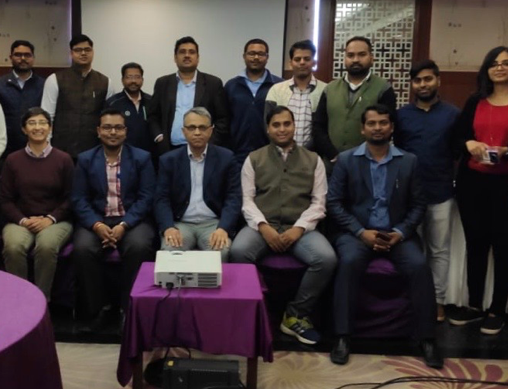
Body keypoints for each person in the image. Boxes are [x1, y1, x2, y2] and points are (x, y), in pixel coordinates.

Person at [326, 104, 441, 369]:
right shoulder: (346, 160)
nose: (377, 128)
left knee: (419, 266)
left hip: (397, 234)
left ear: (391, 127)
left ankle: (427, 338)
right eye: (372, 123)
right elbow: (334, 203)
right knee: (348, 263)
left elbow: (418, 205)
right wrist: (360, 232)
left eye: (383, 123)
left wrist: (400, 233)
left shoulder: (409, 161)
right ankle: (342, 336)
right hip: (357, 233)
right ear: (362, 128)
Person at [229, 106, 335, 346]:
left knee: (326, 258)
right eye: (276, 125)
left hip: (301, 228)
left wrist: (299, 228)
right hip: (262, 226)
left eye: (287, 124)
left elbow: (319, 203)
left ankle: (295, 314)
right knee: (237, 252)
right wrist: (263, 226)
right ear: (268, 128)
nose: (282, 129)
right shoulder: (254, 158)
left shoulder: (314, 159)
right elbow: (247, 200)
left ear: (294, 126)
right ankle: (255, 311)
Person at [448, 47, 508, 335]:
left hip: (507, 182)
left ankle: (497, 309)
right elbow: (457, 137)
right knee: (476, 244)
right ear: (486, 69)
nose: (500, 68)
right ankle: (474, 305)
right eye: (494, 63)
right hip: (473, 182)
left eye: (507, 63)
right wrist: (469, 144)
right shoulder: (475, 100)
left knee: (504, 247)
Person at [71, 108, 156, 331]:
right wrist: (97, 225)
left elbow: (147, 197)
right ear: (98, 131)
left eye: (118, 127)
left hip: (131, 220)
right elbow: (79, 199)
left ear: (125, 132)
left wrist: (124, 225)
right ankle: (99, 308)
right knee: (82, 248)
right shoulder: (86, 159)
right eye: (107, 127)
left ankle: (129, 308)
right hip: (96, 220)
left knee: (139, 246)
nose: (113, 132)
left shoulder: (141, 158)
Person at [394, 60, 460, 323]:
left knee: (438, 251)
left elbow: (458, 151)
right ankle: (411, 298)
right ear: (412, 84)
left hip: (441, 192)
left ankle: (437, 301)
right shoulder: (401, 116)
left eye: (428, 79)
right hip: (409, 196)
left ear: (438, 81)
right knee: (410, 252)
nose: (423, 85)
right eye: (418, 80)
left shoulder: (453, 115)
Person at [0, 107, 75, 298]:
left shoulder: (63, 159)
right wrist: (23, 220)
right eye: (32, 123)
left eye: (42, 123)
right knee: (13, 247)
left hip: (56, 220)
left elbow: (71, 197)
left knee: (47, 246)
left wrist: (50, 218)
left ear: (50, 128)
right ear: (24, 129)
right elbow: (5, 199)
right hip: (21, 220)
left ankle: (40, 301)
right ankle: (18, 298)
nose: (37, 127)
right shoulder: (12, 160)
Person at [155, 107, 241, 262]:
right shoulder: (168, 160)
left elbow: (233, 198)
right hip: (181, 223)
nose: (197, 132)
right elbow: (161, 199)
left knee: (220, 252)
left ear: (211, 130)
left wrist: (223, 228)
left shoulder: (226, 158)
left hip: (213, 224)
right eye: (191, 128)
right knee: (169, 252)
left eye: (202, 128)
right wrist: (168, 227)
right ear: (183, 131)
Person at [313, 36, 397, 162]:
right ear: (345, 59)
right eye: (350, 55)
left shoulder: (383, 88)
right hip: (332, 164)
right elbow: (318, 126)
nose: (356, 59)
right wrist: (333, 154)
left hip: (369, 164)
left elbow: (387, 127)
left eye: (362, 54)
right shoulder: (330, 89)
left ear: (371, 58)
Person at [147, 36, 230, 156]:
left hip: (203, 150)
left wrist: (210, 142)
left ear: (198, 58)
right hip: (169, 149)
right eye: (182, 52)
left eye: (191, 52)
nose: (187, 55)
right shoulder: (163, 83)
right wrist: (159, 136)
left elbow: (223, 119)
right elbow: (152, 115)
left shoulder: (213, 83)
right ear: (175, 58)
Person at [40, 34, 114, 158]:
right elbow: (46, 117)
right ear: (71, 53)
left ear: (93, 52)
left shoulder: (106, 82)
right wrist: (46, 147)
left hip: (94, 150)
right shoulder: (55, 79)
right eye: (78, 50)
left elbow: (109, 119)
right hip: (61, 149)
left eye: (87, 50)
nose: (83, 53)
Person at [223, 39, 282, 163]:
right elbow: (225, 120)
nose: (256, 57)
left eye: (261, 54)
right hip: (237, 154)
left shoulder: (279, 85)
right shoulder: (231, 86)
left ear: (267, 57)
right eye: (251, 53)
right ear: (244, 56)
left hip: (270, 155)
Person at [265, 40, 325, 150]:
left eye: (307, 59)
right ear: (290, 63)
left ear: (314, 62)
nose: (302, 62)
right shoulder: (276, 90)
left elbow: (324, 128)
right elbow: (268, 125)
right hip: (280, 155)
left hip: (313, 156)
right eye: (297, 59)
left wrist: (304, 153)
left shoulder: (325, 90)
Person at [0, 40, 45, 158]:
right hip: (6, 146)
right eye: (18, 55)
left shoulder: (44, 84)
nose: (23, 58)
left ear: (33, 58)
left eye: (27, 55)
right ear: (11, 57)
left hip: (37, 145)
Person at [104, 62, 153, 153]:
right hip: (122, 154)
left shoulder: (152, 101)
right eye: (129, 77)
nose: (133, 81)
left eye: (137, 77)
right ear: (122, 80)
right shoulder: (113, 103)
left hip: (149, 154)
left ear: (142, 80)